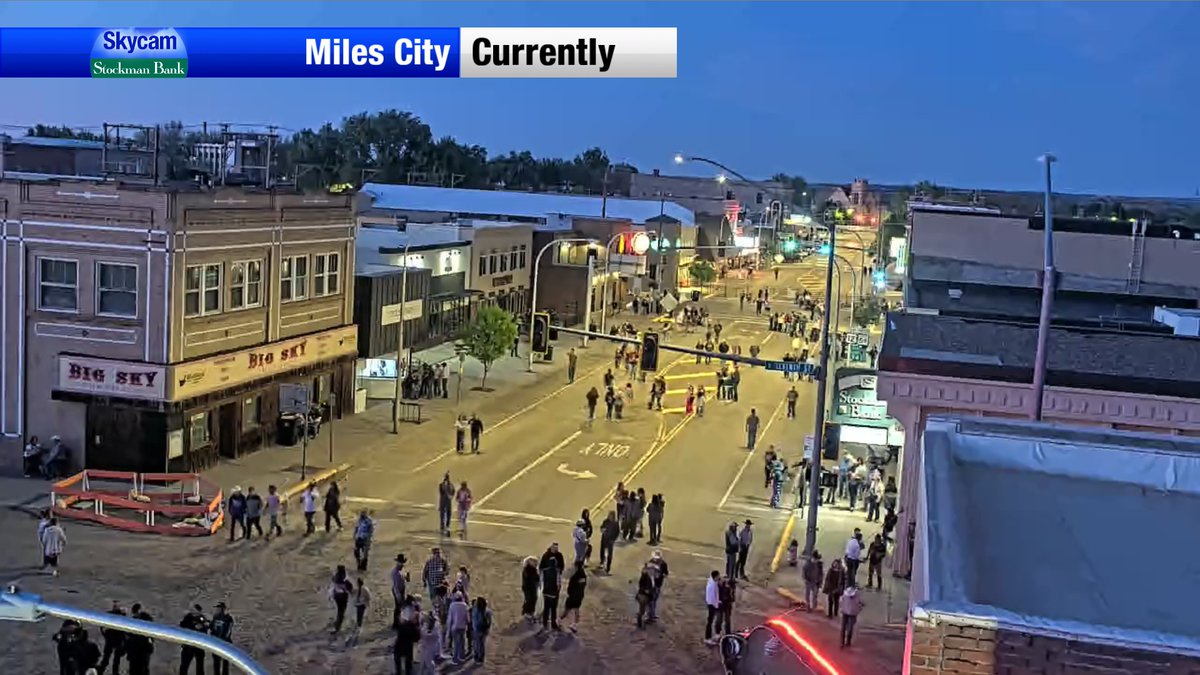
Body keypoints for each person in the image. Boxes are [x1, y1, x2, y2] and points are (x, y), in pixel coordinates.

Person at [539, 543, 565, 631]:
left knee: (546, 608)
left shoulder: (546, 571)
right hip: (553, 593)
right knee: (553, 609)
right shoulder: (556, 572)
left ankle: (545, 624)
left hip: (546, 592)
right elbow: (558, 583)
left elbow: (542, 576)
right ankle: (553, 624)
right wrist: (558, 590)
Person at [123, 605, 154, 675]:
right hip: (141, 653)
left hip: (138, 653)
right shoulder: (147, 621)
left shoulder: (134, 622)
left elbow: (128, 637)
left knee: (136, 669)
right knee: (142, 669)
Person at [178, 605, 209, 675]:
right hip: (188, 646)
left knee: (200, 666)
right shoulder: (188, 618)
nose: (192, 611)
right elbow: (182, 627)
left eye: (194, 610)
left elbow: (205, 631)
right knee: (184, 665)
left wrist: (203, 626)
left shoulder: (201, 618)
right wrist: (193, 627)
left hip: (199, 646)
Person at [98, 600, 126, 675]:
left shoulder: (111, 615)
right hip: (115, 639)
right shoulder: (121, 615)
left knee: (110, 658)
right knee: (113, 659)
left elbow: (102, 627)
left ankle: (102, 671)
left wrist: (105, 635)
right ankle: (112, 672)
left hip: (113, 639)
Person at [393, 601, 420, 675]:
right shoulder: (413, 627)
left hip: (399, 644)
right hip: (408, 646)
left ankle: (398, 672)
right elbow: (417, 638)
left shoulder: (402, 625)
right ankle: (407, 672)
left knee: (398, 660)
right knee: (408, 663)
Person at [561, 561, 587, 633]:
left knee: (566, 609)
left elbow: (570, 587)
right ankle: (575, 625)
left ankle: (559, 621)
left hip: (573, 596)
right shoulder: (584, 576)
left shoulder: (574, 577)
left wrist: (569, 593)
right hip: (580, 596)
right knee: (576, 610)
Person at [209, 602, 234, 675]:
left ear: (223, 609)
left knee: (225, 663)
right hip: (215, 643)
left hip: (225, 643)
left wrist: (224, 640)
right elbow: (211, 627)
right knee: (216, 663)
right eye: (217, 608)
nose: (217, 609)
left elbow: (229, 630)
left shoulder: (228, 618)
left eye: (219, 608)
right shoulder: (215, 617)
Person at [329, 564, 354, 633]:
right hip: (343, 597)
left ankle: (337, 622)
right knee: (341, 611)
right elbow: (350, 588)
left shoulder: (335, 577)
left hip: (336, 596)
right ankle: (337, 626)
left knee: (339, 609)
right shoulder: (345, 580)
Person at [840, 581, 866, 648]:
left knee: (843, 627)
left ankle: (842, 642)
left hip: (844, 611)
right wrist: (859, 609)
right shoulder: (857, 594)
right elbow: (862, 603)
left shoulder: (845, 593)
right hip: (853, 613)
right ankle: (848, 641)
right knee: (850, 627)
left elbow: (841, 601)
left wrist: (842, 608)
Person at [446, 591, 469, 664]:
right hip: (462, 626)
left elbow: (450, 618)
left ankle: (455, 658)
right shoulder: (465, 605)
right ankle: (462, 656)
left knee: (456, 643)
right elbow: (467, 618)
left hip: (454, 626)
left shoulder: (452, 605)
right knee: (462, 642)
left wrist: (448, 629)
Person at [470, 597, 493, 664]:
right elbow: (490, 621)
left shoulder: (475, 610)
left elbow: (473, 619)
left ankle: (477, 656)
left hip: (477, 629)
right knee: (482, 644)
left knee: (476, 644)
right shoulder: (487, 611)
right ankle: (481, 657)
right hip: (484, 630)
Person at [390, 554, 410, 630]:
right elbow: (395, 586)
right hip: (398, 590)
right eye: (400, 562)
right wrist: (398, 595)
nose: (402, 564)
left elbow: (406, 580)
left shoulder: (401, 570)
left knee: (400, 607)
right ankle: (395, 624)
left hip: (401, 589)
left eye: (402, 562)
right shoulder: (395, 572)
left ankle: (398, 622)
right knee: (398, 607)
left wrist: (407, 577)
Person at [634, 565, 655, 629]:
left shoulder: (649, 577)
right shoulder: (646, 577)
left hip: (645, 596)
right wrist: (646, 591)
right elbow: (642, 587)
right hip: (643, 596)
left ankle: (641, 622)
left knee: (644, 610)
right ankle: (640, 623)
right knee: (642, 611)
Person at [704, 570, 721, 645]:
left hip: (711, 604)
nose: (719, 577)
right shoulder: (712, 585)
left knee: (710, 622)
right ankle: (707, 638)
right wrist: (716, 605)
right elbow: (713, 597)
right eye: (718, 576)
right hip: (712, 605)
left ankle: (709, 637)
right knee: (710, 622)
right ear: (715, 576)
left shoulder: (712, 582)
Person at [520, 556, 540, 622]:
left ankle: (531, 612)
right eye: (534, 562)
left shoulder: (534, 570)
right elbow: (528, 578)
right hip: (528, 587)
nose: (536, 564)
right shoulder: (527, 569)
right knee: (528, 599)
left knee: (534, 598)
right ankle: (526, 612)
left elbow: (537, 578)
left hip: (533, 587)